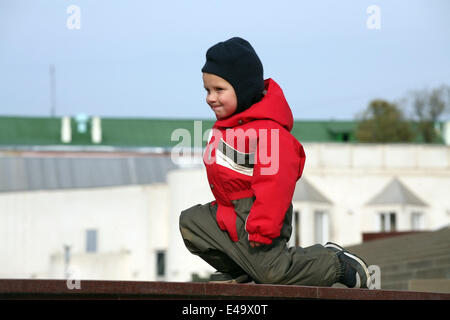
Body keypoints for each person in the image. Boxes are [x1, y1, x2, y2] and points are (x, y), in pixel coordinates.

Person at [179, 36, 373, 288]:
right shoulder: (229, 128)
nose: (210, 98)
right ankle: (241, 270)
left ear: (243, 88)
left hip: (260, 216)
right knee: (191, 223)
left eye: (219, 90)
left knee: (273, 275)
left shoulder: (269, 132)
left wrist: (262, 226)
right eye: (207, 90)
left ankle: (335, 263)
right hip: (229, 214)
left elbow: (276, 184)